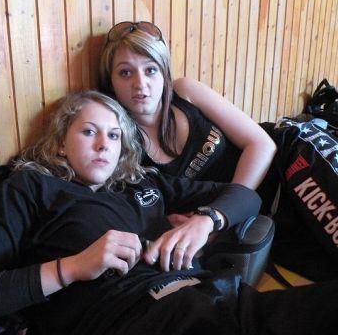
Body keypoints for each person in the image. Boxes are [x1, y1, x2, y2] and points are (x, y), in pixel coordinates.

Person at [0, 91, 337, 335]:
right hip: (134, 323)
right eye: (89, 132)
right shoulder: (31, 188)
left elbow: (245, 197)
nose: (104, 145)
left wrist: (206, 221)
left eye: (114, 135)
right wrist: (72, 268)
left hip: (221, 301)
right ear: (60, 144)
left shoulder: (143, 181)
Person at [98, 21, 278, 216]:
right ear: (111, 82)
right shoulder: (119, 140)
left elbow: (262, 144)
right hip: (228, 225)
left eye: (150, 70)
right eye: (125, 73)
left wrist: (225, 210)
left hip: (275, 184)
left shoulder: (185, 92)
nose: (140, 83)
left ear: (164, 74)